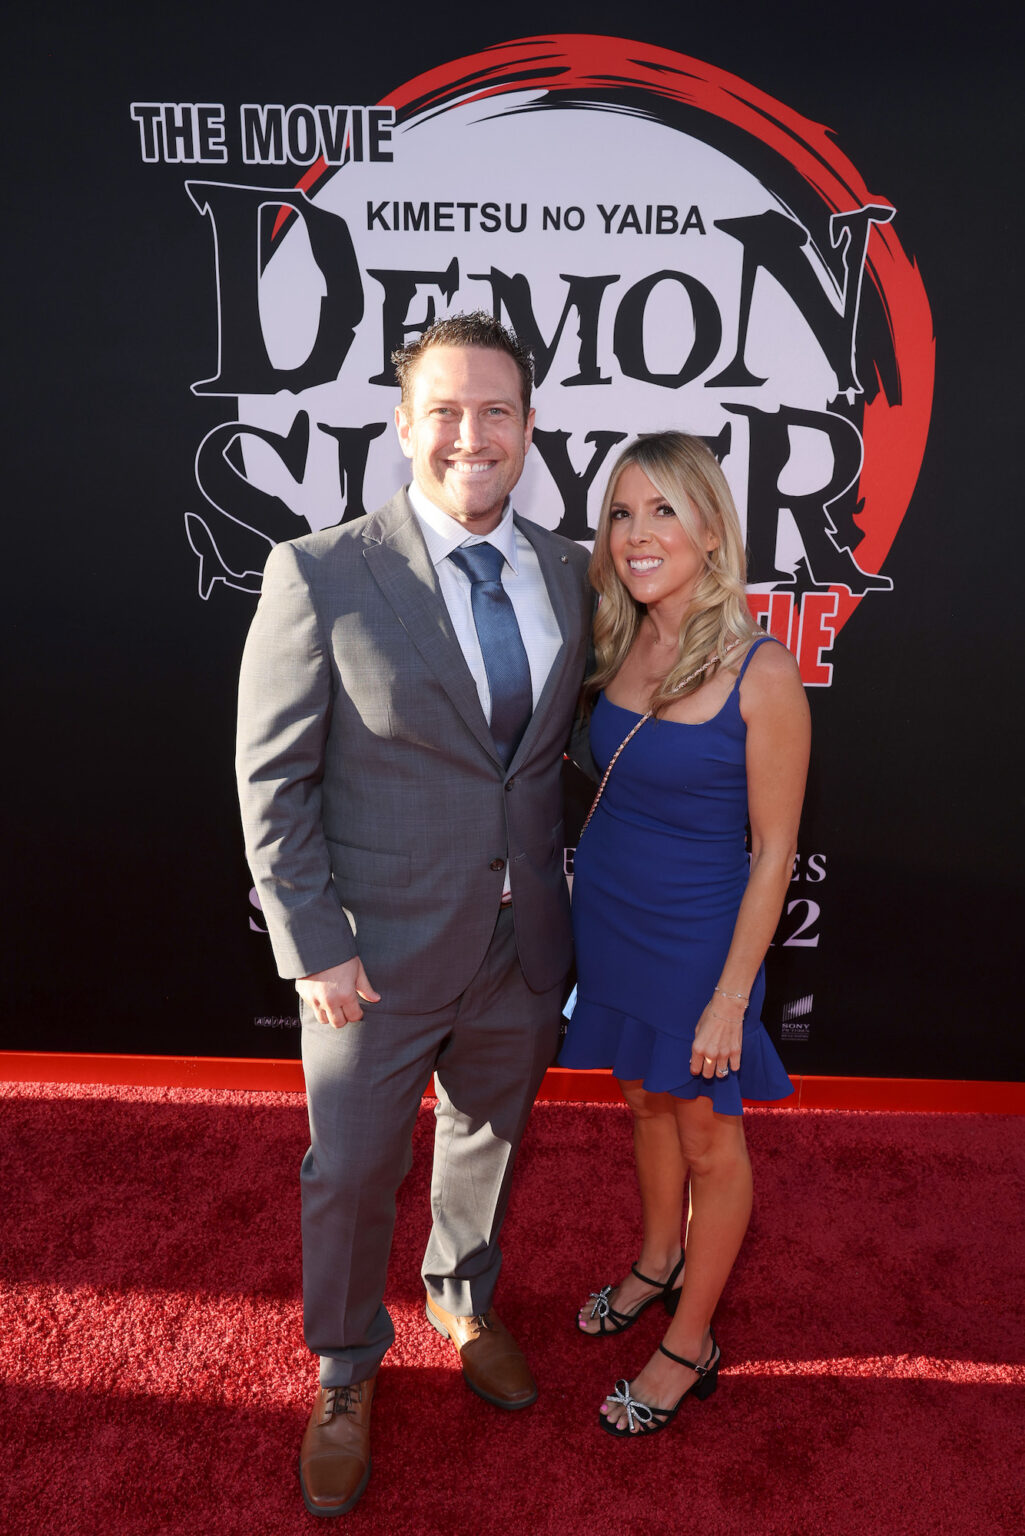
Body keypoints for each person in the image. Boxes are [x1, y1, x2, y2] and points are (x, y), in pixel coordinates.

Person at [236, 312, 592, 1514]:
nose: (470, 434)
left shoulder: (566, 570)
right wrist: (313, 946)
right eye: (443, 408)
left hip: (519, 942)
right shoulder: (322, 572)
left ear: (530, 428)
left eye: (496, 410)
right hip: (372, 956)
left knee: (486, 1135)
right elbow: (270, 780)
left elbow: (552, 756)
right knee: (347, 1172)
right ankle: (342, 1370)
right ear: (401, 423)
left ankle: (460, 1292)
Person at [558, 431, 810, 1437]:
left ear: (711, 528)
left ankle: (689, 1337)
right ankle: (657, 1259)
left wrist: (726, 995)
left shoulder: (762, 673)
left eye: (663, 509)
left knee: (708, 1133)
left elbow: (775, 851)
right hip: (611, 922)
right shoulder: (620, 641)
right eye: (621, 513)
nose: (636, 533)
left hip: (698, 941)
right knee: (642, 1104)